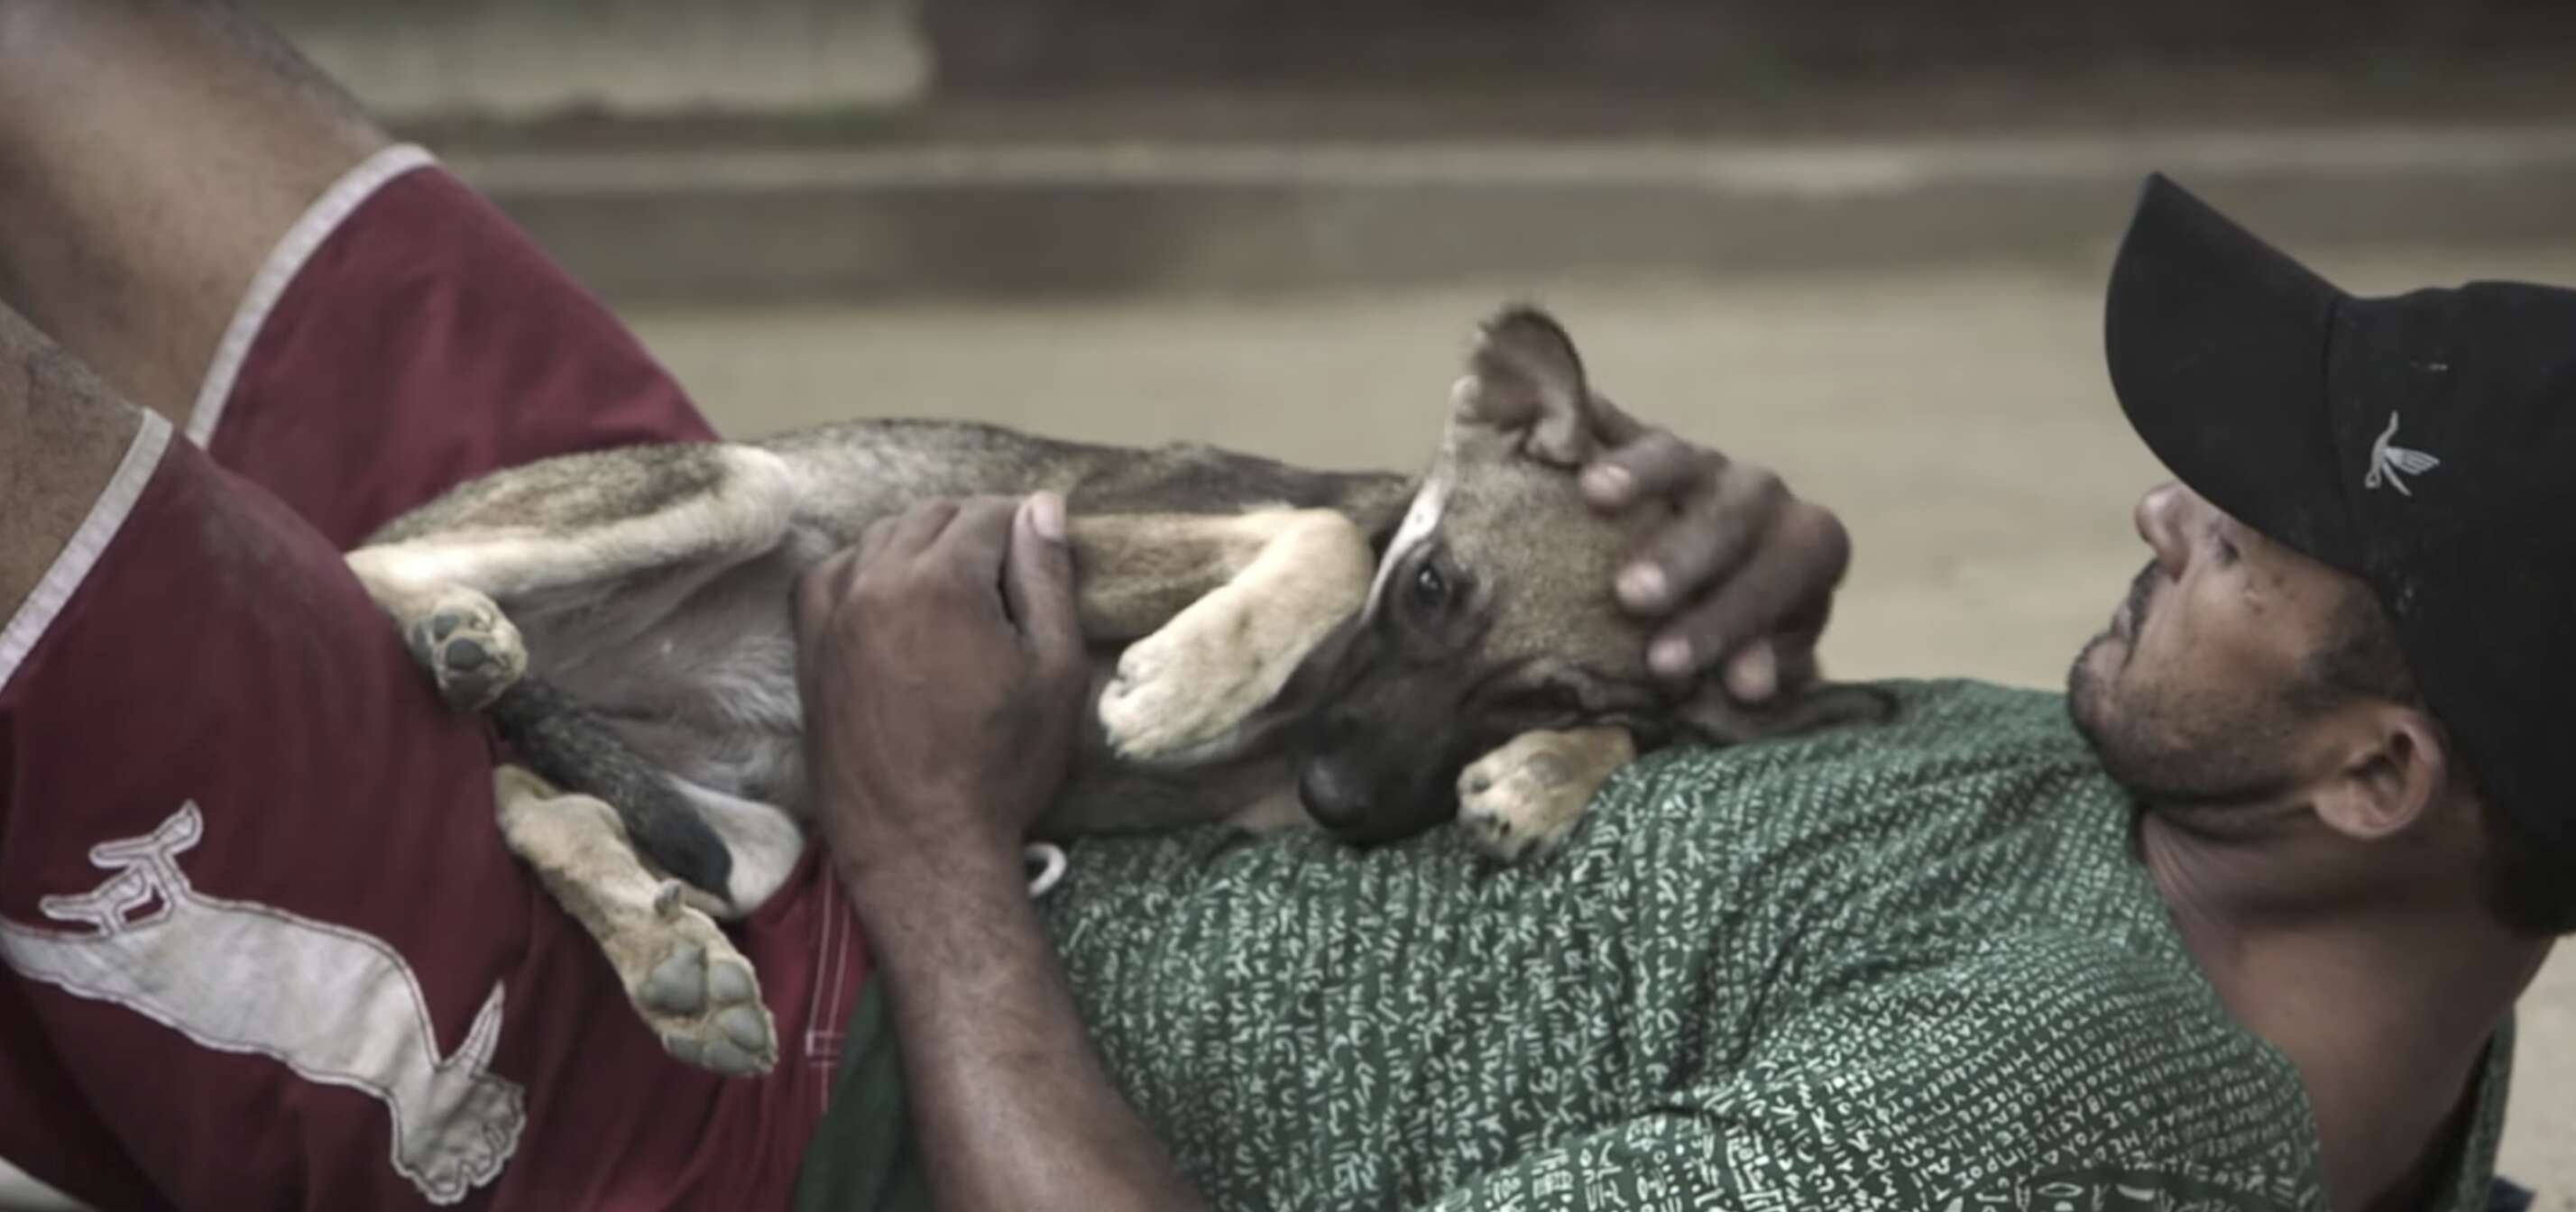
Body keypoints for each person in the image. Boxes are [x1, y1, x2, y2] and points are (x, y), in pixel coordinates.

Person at [0, 10, 2560, 1212]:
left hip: (750, 1064)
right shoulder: (2218, 833)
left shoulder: (2049, 1131)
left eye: (2237, 543)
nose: (2150, 517)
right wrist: (1686, 616)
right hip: (856, 674)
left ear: (2382, 773)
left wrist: (924, 842)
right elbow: (1655, 812)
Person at [0, 3, 1798, 1208]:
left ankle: (348, 704)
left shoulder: (2044, 1030)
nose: (2104, 521)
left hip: (764, 1053)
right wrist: (1751, 627)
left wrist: (928, 842)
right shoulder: (2016, 745)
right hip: (775, 589)